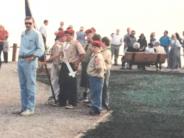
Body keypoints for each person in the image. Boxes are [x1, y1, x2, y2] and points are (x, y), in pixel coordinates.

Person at [16, 16, 44, 116]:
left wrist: (32, 57)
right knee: (22, 85)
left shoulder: (37, 34)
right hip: (21, 60)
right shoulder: (23, 33)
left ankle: (30, 108)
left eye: (29, 23)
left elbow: (41, 49)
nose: (27, 25)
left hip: (30, 62)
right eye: (26, 23)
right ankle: (24, 107)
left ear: (33, 23)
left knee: (30, 85)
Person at [58, 28, 85, 109]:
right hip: (64, 64)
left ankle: (72, 102)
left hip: (71, 65)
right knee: (62, 83)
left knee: (71, 84)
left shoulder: (76, 43)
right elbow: (62, 53)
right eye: (65, 35)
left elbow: (82, 53)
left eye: (68, 35)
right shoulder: (64, 43)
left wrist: (77, 62)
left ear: (72, 35)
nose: (66, 36)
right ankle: (62, 101)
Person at [87, 40, 106, 115]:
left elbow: (99, 67)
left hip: (96, 77)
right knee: (94, 93)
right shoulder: (95, 55)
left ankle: (96, 109)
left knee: (96, 93)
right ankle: (95, 107)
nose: (92, 48)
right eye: (92, 46)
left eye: (94, 47)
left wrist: (95, 73)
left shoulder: (98, 56)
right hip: (94, 77)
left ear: (97, 48)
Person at [101, 37, 112, 110]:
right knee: (102, 86)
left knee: (105, 86)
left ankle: (105, 103)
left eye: (102, 42)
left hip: (106, 70)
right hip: (103, 70)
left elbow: (101, 59)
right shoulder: (103, 50)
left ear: (104, 43)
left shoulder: (107, 51)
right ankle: (102, 102)